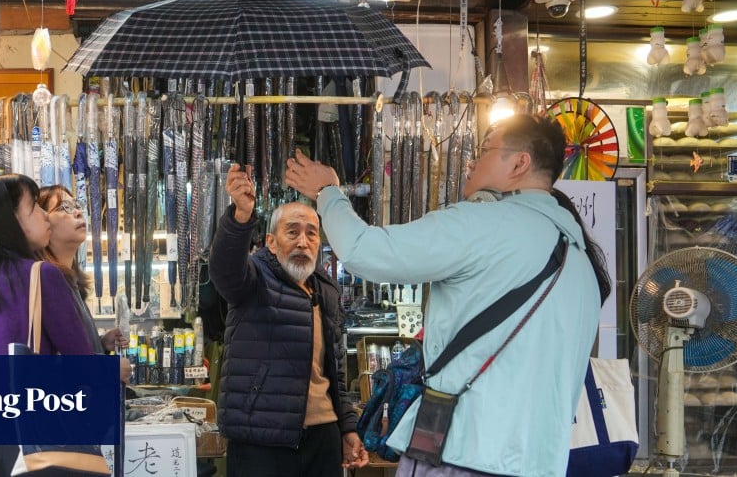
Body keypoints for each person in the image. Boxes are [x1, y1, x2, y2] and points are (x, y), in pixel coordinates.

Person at [284, 114, 611, 477]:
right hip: (541, 464)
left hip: (464, 455)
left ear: (520, 163)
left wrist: (328, 192)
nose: (472, 162)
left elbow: (364, 251)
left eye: (484, 151)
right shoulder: (581, 261)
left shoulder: (484, 224)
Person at [208, 163, 368, 477]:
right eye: (292, 232)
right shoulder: (254, 277)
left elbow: (334, 369)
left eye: (311, 233)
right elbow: (224, 271)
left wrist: (347, 427)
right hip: (261, 438)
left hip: (322, 434)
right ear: (271, 241)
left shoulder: (326, 290)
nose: (302, 242)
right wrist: (241, 216)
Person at [0, 175, 114, 477]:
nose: (43, 215)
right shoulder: (41, 275)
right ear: (9, 222)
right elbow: (85, 367)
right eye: (33, 208)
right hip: (38, 441)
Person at [34, 185, 130, 361]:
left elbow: (69, 348)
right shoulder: (48, 280)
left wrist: (100, 343)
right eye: (64, 208)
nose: (78, 213)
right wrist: (111, 371)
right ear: (42, 222)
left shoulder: (70, 281)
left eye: (77, 205)